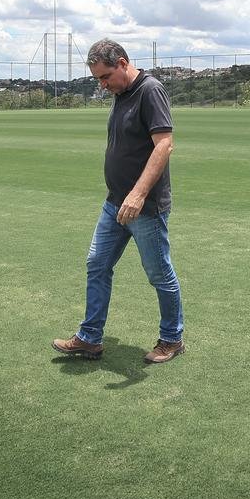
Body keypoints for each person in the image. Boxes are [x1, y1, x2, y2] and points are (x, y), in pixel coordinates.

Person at [52, 39, 186, 365]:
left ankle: (172, 339)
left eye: (106, 76)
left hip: (145, 206)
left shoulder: (149, 90)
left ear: (123, 63)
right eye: (97, 79)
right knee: (97, 264)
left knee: (158, 273)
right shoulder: (120, 93)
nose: (102, 85)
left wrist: (139, 194)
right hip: (114, 203)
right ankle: (90, 338)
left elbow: (164, 145)